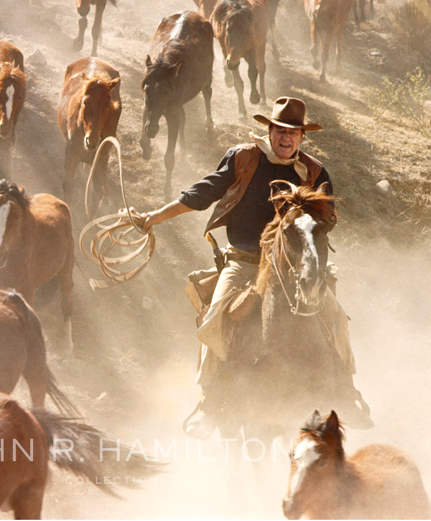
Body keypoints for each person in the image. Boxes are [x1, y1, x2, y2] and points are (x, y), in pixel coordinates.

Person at [142, 96, 371, 438]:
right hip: (245, 262)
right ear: (270, 129)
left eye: (294, 133)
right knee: (216, 316)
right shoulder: (244, 158)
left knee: (335, 315)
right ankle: (209, 400)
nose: (286, 138)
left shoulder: (314, 172)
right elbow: (202, 193)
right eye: (280, 130)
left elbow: (327, 220)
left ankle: (347, 392)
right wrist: (154, 217)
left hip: (295, 266)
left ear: (302, 137)